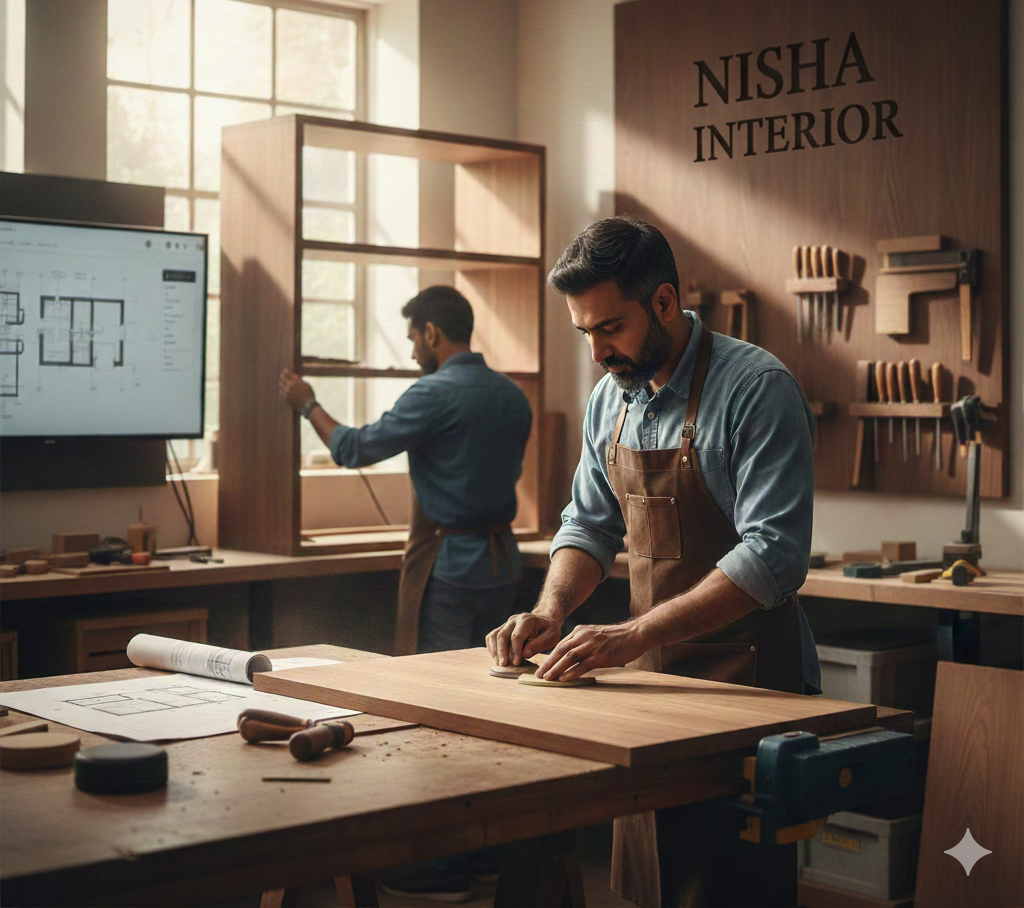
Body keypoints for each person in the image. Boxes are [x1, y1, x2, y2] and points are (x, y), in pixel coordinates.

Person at [487, 216, 820, 908]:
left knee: (725, 888)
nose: (596, 351)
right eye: (585, 333)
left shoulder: (756, 389)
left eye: (609, 328)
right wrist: (550, 610)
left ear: (664, 302)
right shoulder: (612, 397)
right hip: (652, 690)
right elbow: (588, 523)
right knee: (648, 885)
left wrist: (634, 634)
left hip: (746, 684)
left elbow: (774, 555)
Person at [280, 284, 532, 901]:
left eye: (414, 334)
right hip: (506, 569)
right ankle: (489, 859)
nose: (411, 346)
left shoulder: (434, 392)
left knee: (440, 719)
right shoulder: (511, 396)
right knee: (497, 719)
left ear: (432, 334)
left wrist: (307, 403)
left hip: (451, 570)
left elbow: (354, 448)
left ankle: (446, 873)